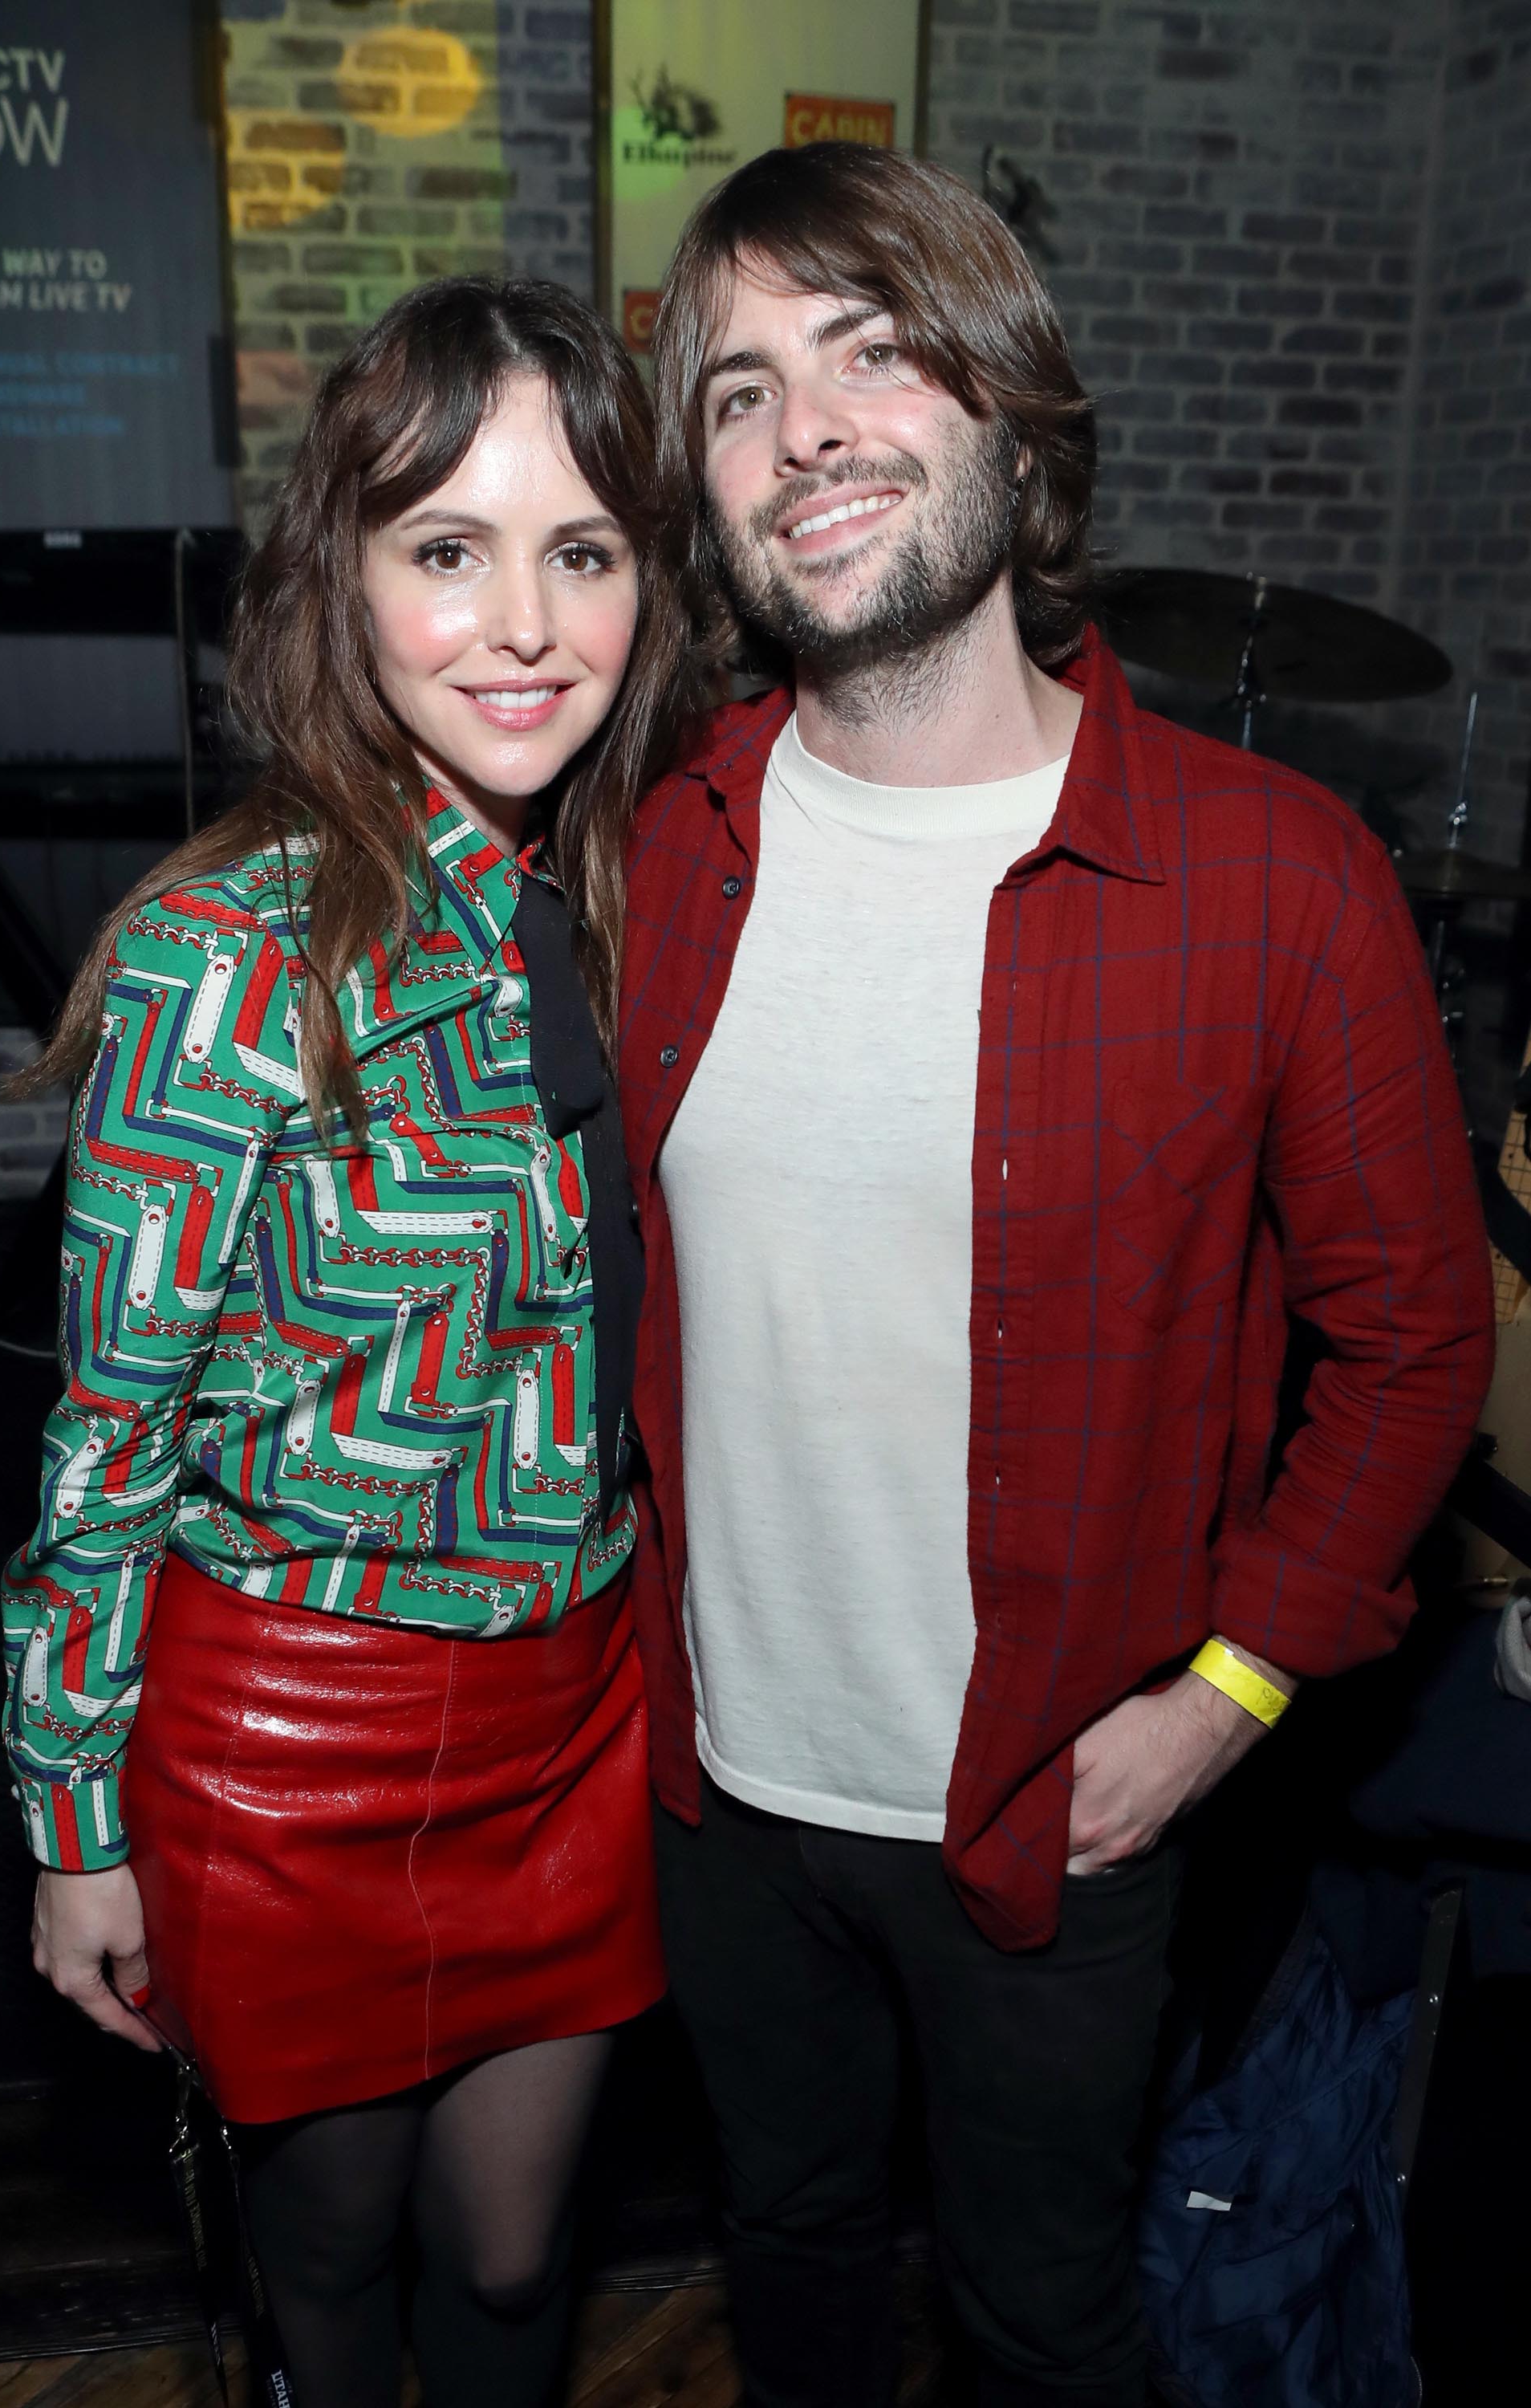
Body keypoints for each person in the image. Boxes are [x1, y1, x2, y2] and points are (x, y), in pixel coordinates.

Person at [617, 143, 1497, 2408]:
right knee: (790, 2251)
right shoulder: (655, 854)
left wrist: (1227, 1700)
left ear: (1010, 406)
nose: (800, 430)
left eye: (869, 351)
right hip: (721, 1789)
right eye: (734, 391)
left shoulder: (1273, 877)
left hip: (1057, 1796)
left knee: (1039, 2314)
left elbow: (1408, 1350)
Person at [1, 276, 694, 2408]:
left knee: (507, 2270)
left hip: (569, 1716)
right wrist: (69, 1826)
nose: (521, 622)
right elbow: (104, 1446)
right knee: (326, 2257)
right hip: (292, 1744)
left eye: (581, 550)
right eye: (445, 550)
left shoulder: (612, 896)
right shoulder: (229, 954)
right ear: (345, 583)